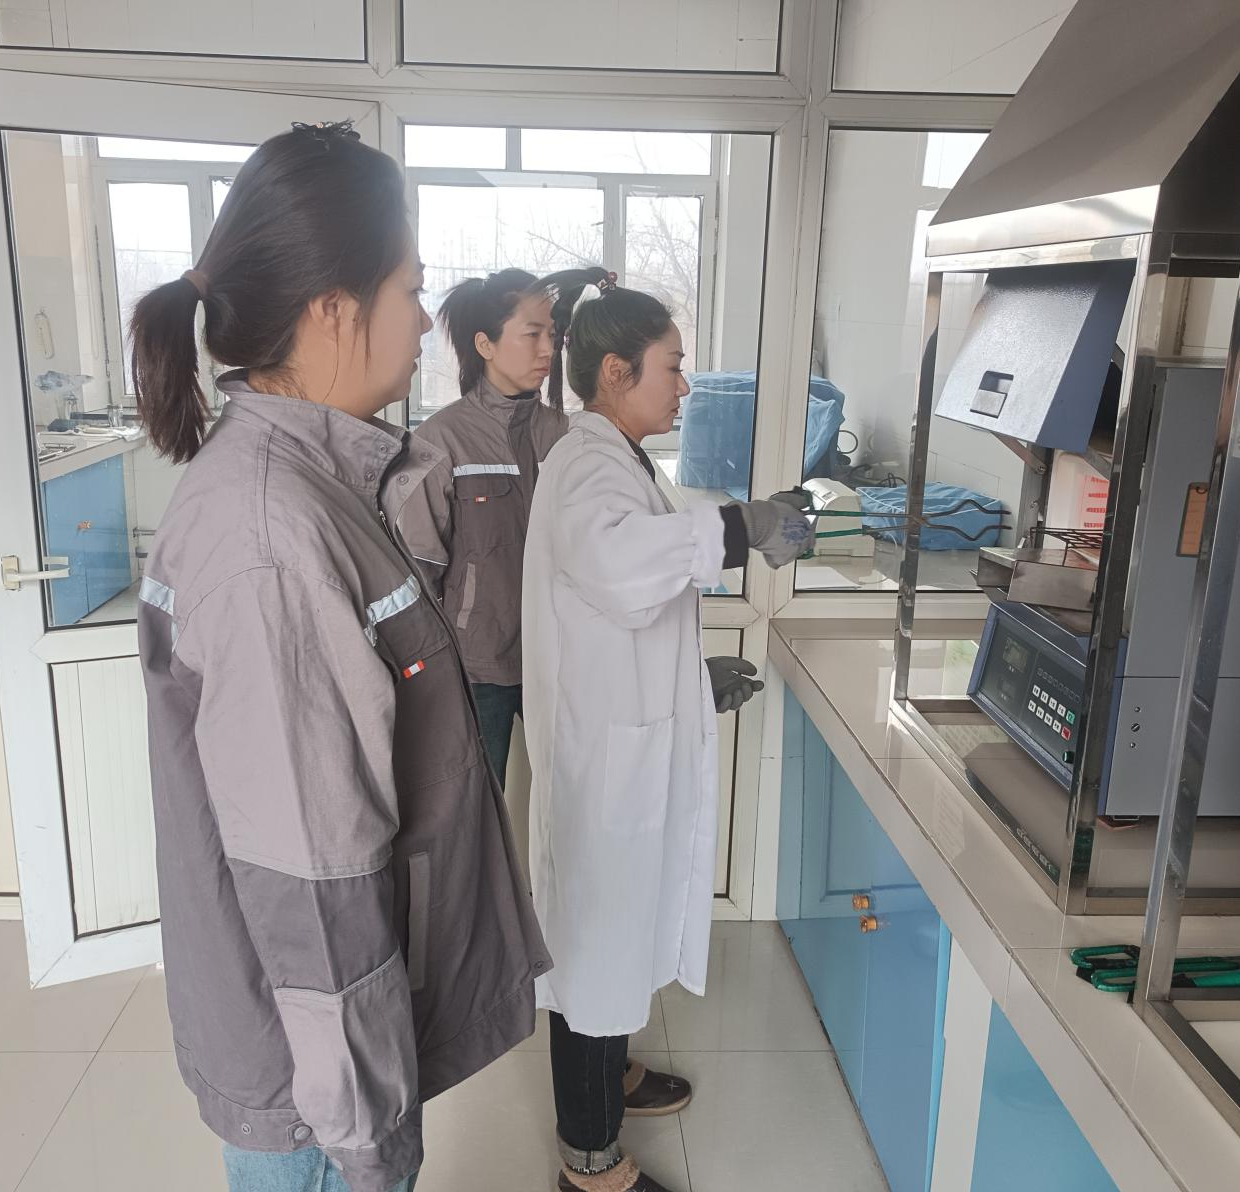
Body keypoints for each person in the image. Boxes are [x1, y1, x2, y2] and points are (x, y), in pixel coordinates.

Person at [132, 121, 550, 1192]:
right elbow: (310, 888)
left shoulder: (313, 488)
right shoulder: (274, 536)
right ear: (332, 309)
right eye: (409, 291)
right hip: (316, 1093)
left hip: (323, 1060)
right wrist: (368, 1138)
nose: (421, 322)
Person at [521, 280, 813, 1192]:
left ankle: (610, 1076)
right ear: (616, 370)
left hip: (623, 737)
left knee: (615, 935)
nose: (684, 386)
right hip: (604, 763)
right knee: (595, 946)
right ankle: (590, 1159)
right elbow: (619, 566)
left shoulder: (618, 458)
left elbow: (626, 604)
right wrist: (743, 527)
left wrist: (690, 682)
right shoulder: (586, 465)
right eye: (673, 366)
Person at [399, 266, 610, 781]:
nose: (547, 350)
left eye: (552, 336)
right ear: (485, 345)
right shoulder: (440, 442)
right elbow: (419, 572)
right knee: (479, 802)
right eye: (532, 334)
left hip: (560, 658)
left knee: (575, 799)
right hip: (479, 668)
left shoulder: (566, 435)